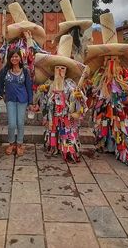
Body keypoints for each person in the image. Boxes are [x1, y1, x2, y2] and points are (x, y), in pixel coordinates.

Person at [84, 12, 128, 167]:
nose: (112, 62)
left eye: (115, 59)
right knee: (104, 125)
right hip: (106, 108)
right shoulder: (100, 75)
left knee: (123, 129)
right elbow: (93, 89)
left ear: (119, 60)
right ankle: (108, 146)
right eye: (109, 59)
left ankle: (125, 153)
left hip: (122, 109)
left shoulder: (125, 74)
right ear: (104, 60)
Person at [34, 35, 88, 163]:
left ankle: (68, 149)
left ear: (66, 71)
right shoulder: (49, 84)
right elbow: (42, 102)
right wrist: (41, 93)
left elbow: (80, 102)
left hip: (67, 117)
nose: (59, 71)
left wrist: (79, 98)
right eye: (57, 68)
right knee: (52, 132)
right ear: (53, 70)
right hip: (53, 117)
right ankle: (54, 147)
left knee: (67, 132)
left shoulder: (70, 84)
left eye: (62, 69)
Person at [0, 48, 34, 157]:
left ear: (20, 58)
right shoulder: (5, 70)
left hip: (23, 100)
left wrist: (30, 102)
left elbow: (29, 87)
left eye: (16, 56)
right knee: (12, 124)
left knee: (20, 123)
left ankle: (19, 144)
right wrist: (2, 95)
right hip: (10, 100)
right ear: (9, 58)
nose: (14, 58)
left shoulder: (25, 71)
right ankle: (11, 143)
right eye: (12, 56)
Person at [0, 2, 49, 82]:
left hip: (30, 72)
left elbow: (37, 53)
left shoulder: (33, 43)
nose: (25, 32)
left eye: (27, 30)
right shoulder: (12, 44)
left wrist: (29, 40)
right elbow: (3, 56)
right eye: (23, 30)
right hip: (14, 73)